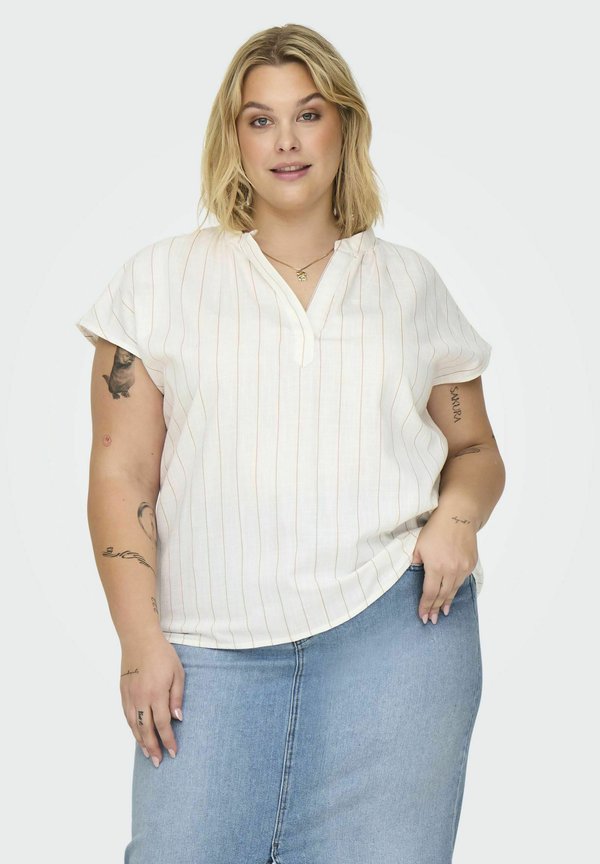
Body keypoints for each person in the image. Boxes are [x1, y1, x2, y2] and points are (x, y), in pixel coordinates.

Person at [76, 22, 506, 864]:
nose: (286, 141)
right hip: (206, 646)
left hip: (397, 632)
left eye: (308, 115)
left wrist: (458, 517)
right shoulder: (157, 282)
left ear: (344, 126)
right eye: (260, 119)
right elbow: (120, 472)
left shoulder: (409, 285)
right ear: (233, 137)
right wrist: (139, 640)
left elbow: (476, 450)